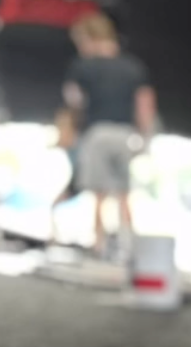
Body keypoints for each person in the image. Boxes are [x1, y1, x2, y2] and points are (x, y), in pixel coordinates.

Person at [63, 13, 157, 257]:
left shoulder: (82, 66)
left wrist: (72, 129)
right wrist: (145, 138)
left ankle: (99, 244)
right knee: (124, 192)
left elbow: (74, 100)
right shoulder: (133, 67)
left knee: (99, 193)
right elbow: (145, 104)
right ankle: (129, 245)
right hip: (125, 134)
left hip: (97, 133)